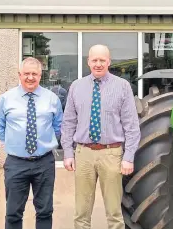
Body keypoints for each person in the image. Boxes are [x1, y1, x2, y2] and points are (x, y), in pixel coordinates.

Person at [60, 44, 141, 229]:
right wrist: (67, 153)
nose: (98, 64)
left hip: (111, 154)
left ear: (109, 62)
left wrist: (128, 157)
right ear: (88, 62)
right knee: (81, 211)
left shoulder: (122, 87)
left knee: (114, 212)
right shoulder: (76, 87)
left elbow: (132, 126)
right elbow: (69, 123)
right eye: (94, 60)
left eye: (102, 60)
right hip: (84, 154)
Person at [0, 57, 63, 229]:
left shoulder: (52, 99)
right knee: (13, 212)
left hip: (44, 162)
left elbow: (58, 127)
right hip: (16, 163)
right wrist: (15, 142)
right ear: (19, 75)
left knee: (45, 211)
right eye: (26, 73)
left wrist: (44, 143)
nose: (30, 77)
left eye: (34, 73)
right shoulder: (6, 99)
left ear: (40, 75)